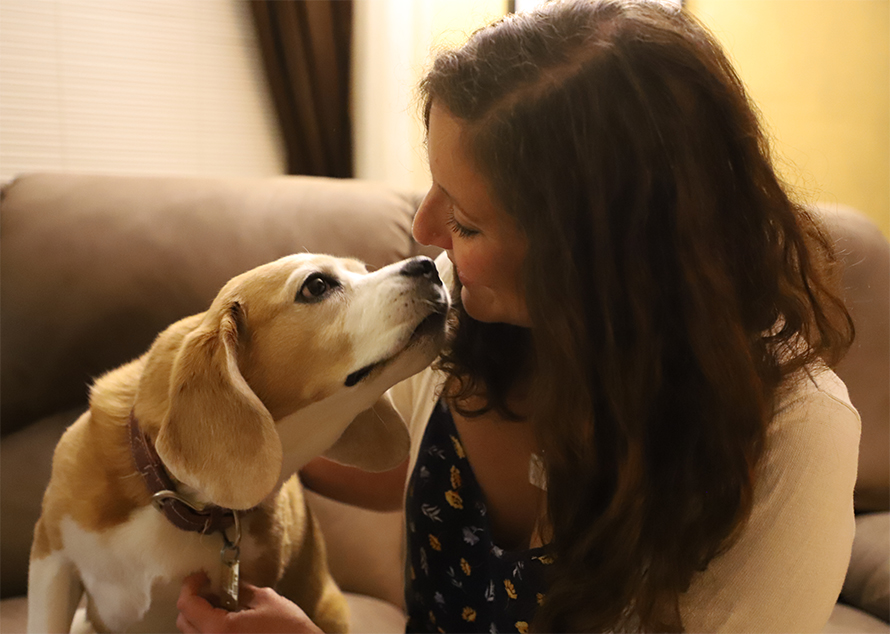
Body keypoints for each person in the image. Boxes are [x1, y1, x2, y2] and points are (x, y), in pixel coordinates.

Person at [177, 0, 860, 632]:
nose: (424, 229)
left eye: (467, 223)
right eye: (433, 187)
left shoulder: (795, 439)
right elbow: (387, 459)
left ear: (597, 264)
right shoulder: (459, 310)